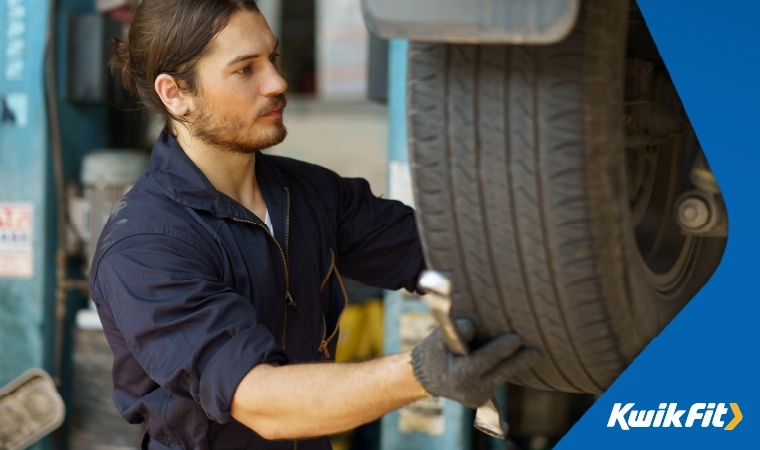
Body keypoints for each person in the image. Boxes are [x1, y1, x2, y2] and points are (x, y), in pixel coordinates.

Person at [89, 1, 541, 449]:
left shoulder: (309, 194)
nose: (277, 82)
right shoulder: (145, 245)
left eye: (273, 58)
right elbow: (260, 399)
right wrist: (422, 373)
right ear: (175, 94)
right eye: (246, 69)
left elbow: (439, 256)